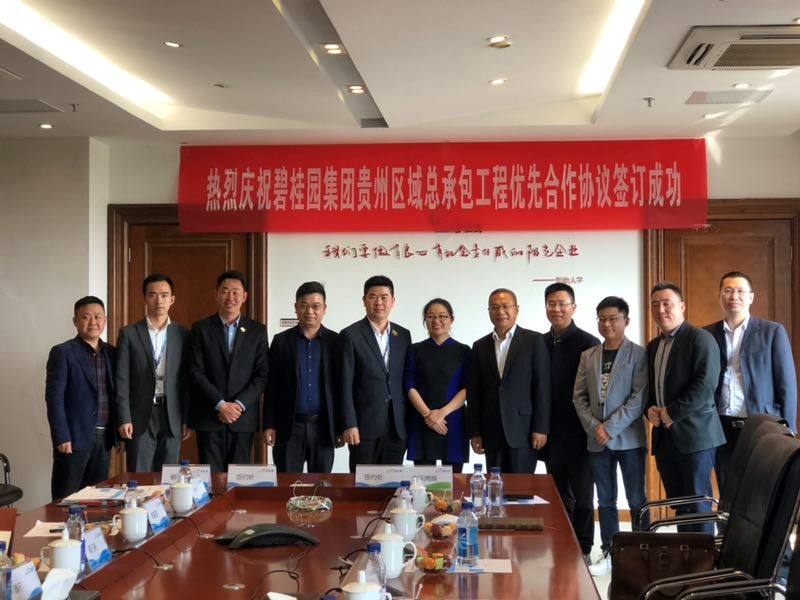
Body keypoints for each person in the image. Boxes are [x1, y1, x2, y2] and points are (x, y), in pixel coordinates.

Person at [573, 296, 648, 576]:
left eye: (613, 319)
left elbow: (639, 397)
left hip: (629, 440)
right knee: (605, 501)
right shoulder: (589, 355)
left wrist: (610, 428)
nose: (607, 324)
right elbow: (578, 397)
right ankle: (610, 552)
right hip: (597, 440)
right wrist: (595, 427)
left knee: (637, 499)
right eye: (602, 319)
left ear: (625, 321)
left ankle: (642, 553)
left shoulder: (638, 354)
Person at [705, 271, 798, 487]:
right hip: (720, 425)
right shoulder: (707, 334)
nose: (734, 296)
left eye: (740, 291)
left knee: (761, 487)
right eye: (728, 291)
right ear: (720, 296)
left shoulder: (772, 332)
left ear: (751, 297)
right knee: (727, 487)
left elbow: (786, 384)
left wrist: (789, 428)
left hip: (762, 424)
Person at [646, 282, 724, 534]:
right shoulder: (653, 346)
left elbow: (706, 385)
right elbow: (651, 387)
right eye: (655, 305)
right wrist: (649, 409)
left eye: (666, 303)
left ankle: (705, 557)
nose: (660, 310)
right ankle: (687, 553)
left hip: (695, 436)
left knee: (698, 503)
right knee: (680, 504)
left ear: (682, 306)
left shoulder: (700, 338)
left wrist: (671, 412)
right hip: (665, 438)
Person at [186, 271, 268, 472]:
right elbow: (195, 372)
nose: (230, 297)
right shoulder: (201, 329)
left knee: (240, 479)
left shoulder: (257, 331)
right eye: (225, 291)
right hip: (209, 417)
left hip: (243, 420)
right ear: (216, 295)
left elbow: (261, 375)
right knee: (211, 480)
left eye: (235, 292)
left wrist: (237, 405)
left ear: (244, 296)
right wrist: (221, 405)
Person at [541, 282, 600, 563]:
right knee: (557, 492)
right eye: (551, 304)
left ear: (573, 307)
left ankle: (584, 547)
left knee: (583, 494)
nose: (557, 309)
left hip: (580, 431)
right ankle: (562, 543)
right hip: (551, 432)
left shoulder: (589, 343)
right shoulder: (540, 343)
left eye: (562, 303)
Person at [468, 288, 551, 473]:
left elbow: (542, 387)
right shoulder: (480, 346)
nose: (500, 312)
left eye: (506, 306)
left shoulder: (534, 340)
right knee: (495, 485)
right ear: (489, 311)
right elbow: (475, 393)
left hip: (524, 430)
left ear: (516, 309)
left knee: (522, 487)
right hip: (491, 431)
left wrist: (541, 428)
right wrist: (475, 432)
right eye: (494, 307)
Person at [264, 281, 342, 473]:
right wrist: (269, 425)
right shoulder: (281, 341)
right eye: (304, 305)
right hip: (289, 427)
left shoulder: (336, 342)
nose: (310, 311)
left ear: (324, 308)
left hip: (323, 427)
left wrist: (341, 427)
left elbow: (341, 388)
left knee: (321, 485)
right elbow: (271, 386)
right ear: (296, 307)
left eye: (316, 306)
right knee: (288, 484)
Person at [115, 274, 189, 473]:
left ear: (172, 299)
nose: (159, 301)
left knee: (170, 476)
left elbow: (185, 381)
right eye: (152, 295)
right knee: (139, 476)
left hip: (172, 414)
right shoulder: (129, 333)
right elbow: (121, 379)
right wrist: (124, 417)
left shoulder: (182, 334)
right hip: (140, 415)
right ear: (145, 299)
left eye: (164, 295)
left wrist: (185, 419)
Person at [46, 296, 116, 500]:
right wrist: (61, 436)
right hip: (73, 439)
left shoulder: (112, 353)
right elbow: (54, 398)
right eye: (86, 317)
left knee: (96, 498)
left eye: (98, 316)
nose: (93, 322)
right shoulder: (63, 352)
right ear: (75, 321)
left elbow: (117, 394)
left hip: (104, 439)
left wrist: (117, 434)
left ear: (105, 320)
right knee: (65, 499)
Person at [340, 275, 411, 472]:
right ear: (364, 300)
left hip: (397, 427)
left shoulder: (403, 335)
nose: (379, 302)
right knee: (363, 482)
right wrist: (349, 423)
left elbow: (405, 380)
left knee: (392, 483)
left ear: (393, 301)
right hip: (363, 427)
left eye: (384, 297)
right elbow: (344, 384)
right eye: (373, 297)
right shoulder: (350, 335)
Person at [404, 298, 471, 472]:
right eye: (431, 316)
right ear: (425, 320)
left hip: (453, 421)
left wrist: (441, 413)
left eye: (442, 316)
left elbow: (467, 388)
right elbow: (409, 384)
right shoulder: (414, 350)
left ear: (451, 319)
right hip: (422, 420)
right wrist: (428, 415)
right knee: (423, 482)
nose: (436, 320)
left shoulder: (464, 351)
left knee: (453, 482)